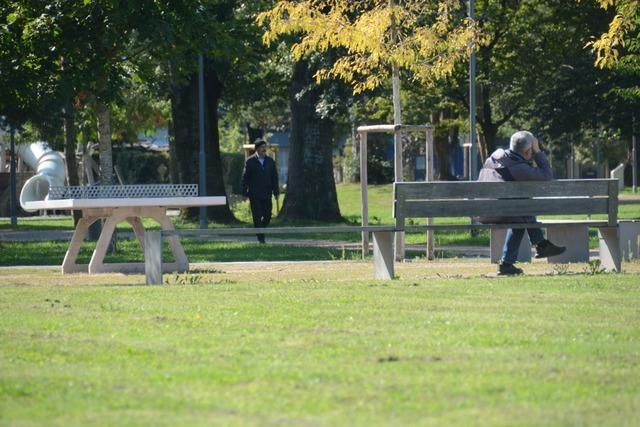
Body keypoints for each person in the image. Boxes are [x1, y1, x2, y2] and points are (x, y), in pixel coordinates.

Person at [478, 130, 566, 275]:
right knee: (522, 206)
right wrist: (538, 152)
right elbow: (547, 176)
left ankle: (507, 265)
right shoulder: (519, 168)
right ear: (527, 151)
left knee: (520, 211)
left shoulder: (496, 156)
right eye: (532, 150)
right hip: (502, 212)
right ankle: (540, 243)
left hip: (484, 210)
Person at [241, 139, 280, 243]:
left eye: (265, 147)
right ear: (257, 149)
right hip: (254, 194)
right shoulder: (250, 161)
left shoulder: (270, 161)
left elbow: (274, 177)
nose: (264, 149)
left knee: (267, 215)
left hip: (267, 193)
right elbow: (245, 178)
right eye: (262, 147)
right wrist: (244, 192)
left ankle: (259, 230)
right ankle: (261, 238)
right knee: (257, 216)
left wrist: (276, 192)